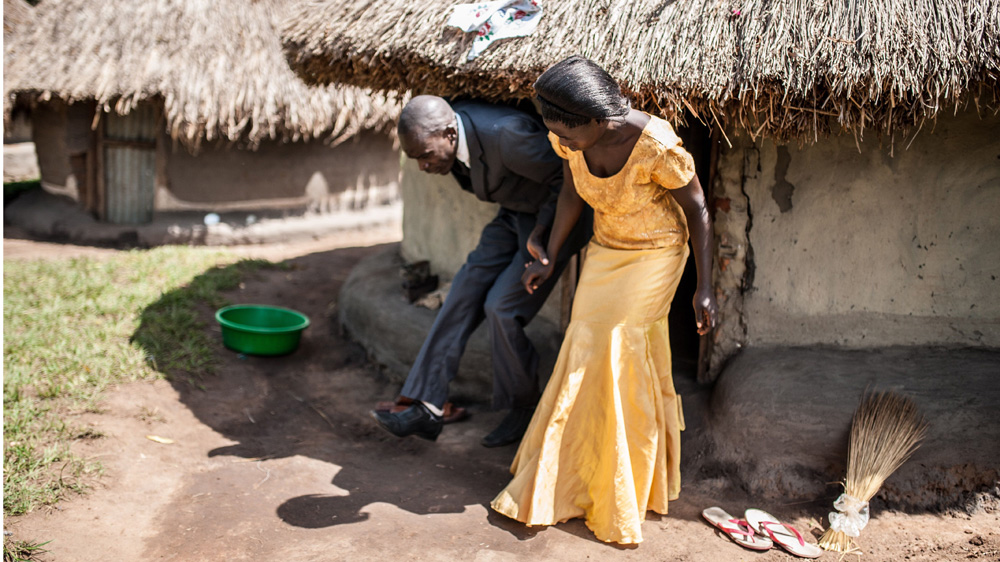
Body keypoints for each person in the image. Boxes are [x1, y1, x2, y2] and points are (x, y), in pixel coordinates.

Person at [490, 56, 719, 544]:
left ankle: (623, 484)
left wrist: (705, 288)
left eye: (570, 137)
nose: (563, 144)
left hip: (656, 254)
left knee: (619, 343)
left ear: (600, 120)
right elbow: (573, 188)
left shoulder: (656, 146)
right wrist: (550, 255)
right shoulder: (570, 136)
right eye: (558, 136)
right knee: (583, 340)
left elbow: (697, 209)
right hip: (607, 249)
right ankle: (573, 475)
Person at [371, 95, 592, 448]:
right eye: (415, 160)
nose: (423, 168)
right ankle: (427, 406)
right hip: (515, 213)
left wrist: (544, 239)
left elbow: (569, 182)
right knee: (462, 291)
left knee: (501, 307)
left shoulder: (508, 136)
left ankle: (523, 406)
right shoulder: (450, 143)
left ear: (448, 134)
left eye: (426, 156)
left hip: (554, 223)